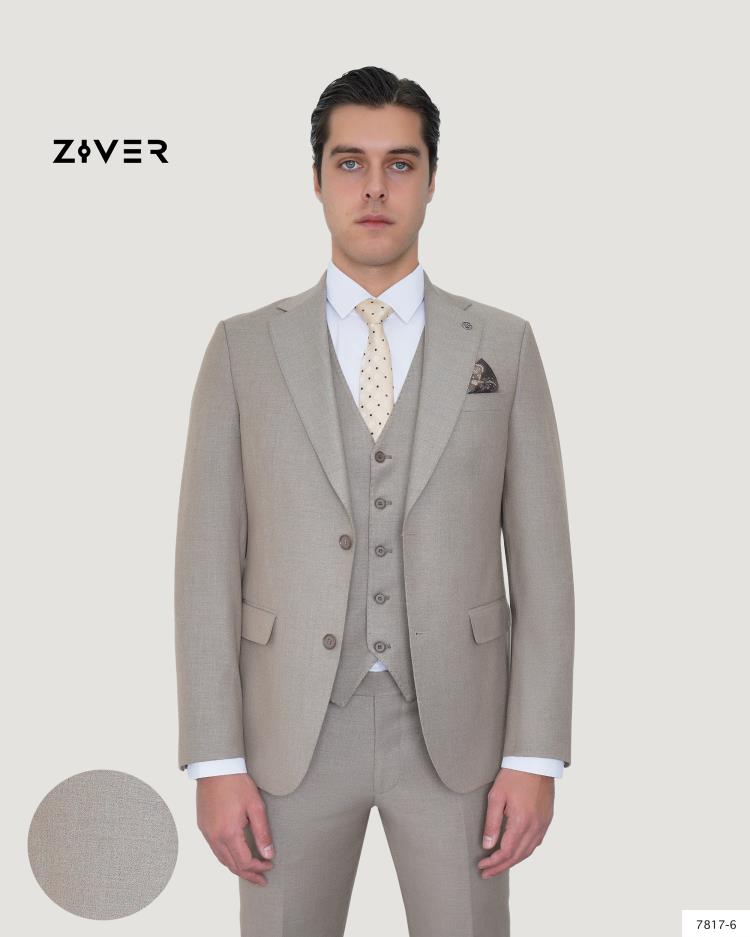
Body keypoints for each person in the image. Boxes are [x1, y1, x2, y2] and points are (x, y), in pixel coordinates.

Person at [175, 64, 575, 937]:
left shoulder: (504, 344)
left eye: (401, 163)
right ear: (317, 179)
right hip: (286, 738)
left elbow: (544, 566)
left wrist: (535, 752)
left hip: (463, 738)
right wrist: (214, 760)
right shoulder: (243, 348)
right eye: (350, 162)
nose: (375, 188)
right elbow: (204, 564)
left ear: (431, 179)